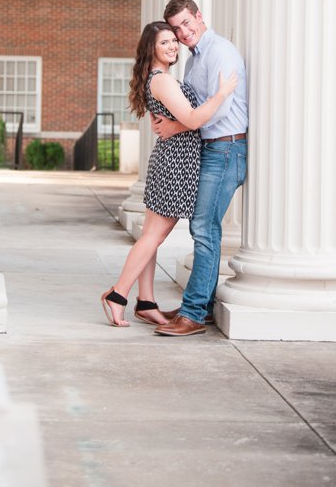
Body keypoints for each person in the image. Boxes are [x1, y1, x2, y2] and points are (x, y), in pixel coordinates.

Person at [100, 22, 237, 327]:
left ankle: (146, 301)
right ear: (151, 48)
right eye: (165, 42)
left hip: (172, 159)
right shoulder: (161, 81)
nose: (174, 46)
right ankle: (117, 295)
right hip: (175, 163)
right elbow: (193, 118)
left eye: (174, 41)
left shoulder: (159, 78)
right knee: (152, 237)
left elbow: (182, 120)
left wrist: (177, 125)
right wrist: (222, 94)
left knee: (151, 237)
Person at [152, 0, 249, 337]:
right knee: (202, 228)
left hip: (226, 149)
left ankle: (193, 313)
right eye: (177, 29)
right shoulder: (194, 61)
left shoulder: (220, 51)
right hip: (210, 149)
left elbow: (218, 109)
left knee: (205, 229)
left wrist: (178, 125)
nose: (183, 32)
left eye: (186, 24)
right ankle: (201, 305)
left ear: (199, 16)